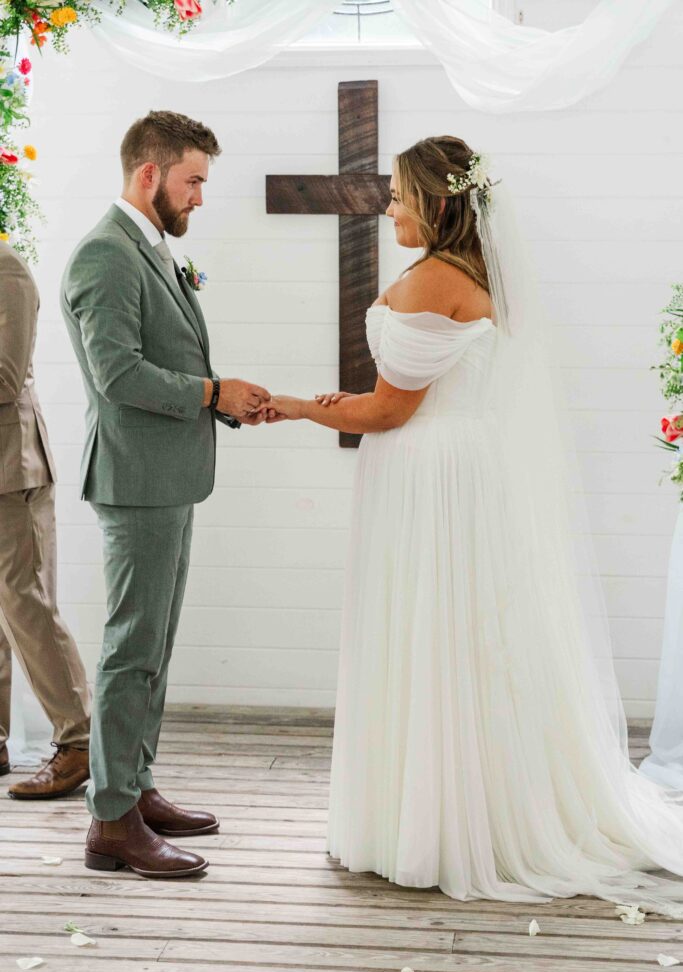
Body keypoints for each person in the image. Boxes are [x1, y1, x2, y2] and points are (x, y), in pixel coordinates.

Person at [260, 136, 683, 917]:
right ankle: (468, 807)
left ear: (436, 202)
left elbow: (389, 408)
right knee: (463, 637)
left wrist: (286, 405)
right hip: (459, 469)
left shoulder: (429, 284)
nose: (387, 208)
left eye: (397, 196)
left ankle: (431, 828)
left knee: (428, 633)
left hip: (429, 474)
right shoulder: (477, 273)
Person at [61, 110, 270, 879]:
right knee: (131, 649)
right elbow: (117, 377)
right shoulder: (104, 257)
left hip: (168, 475)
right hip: (136, 479)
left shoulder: (147, 250)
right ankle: (110, 822)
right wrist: (214, 391)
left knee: (152, 648)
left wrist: (226, 400)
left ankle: (134, 787)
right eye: (193, 181)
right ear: (149, 175)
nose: (199, 198)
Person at [0, 239, 91, 799]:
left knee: (25, 602)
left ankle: (79, 743)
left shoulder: (7, 269)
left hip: (13, 468)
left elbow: (5, 379)